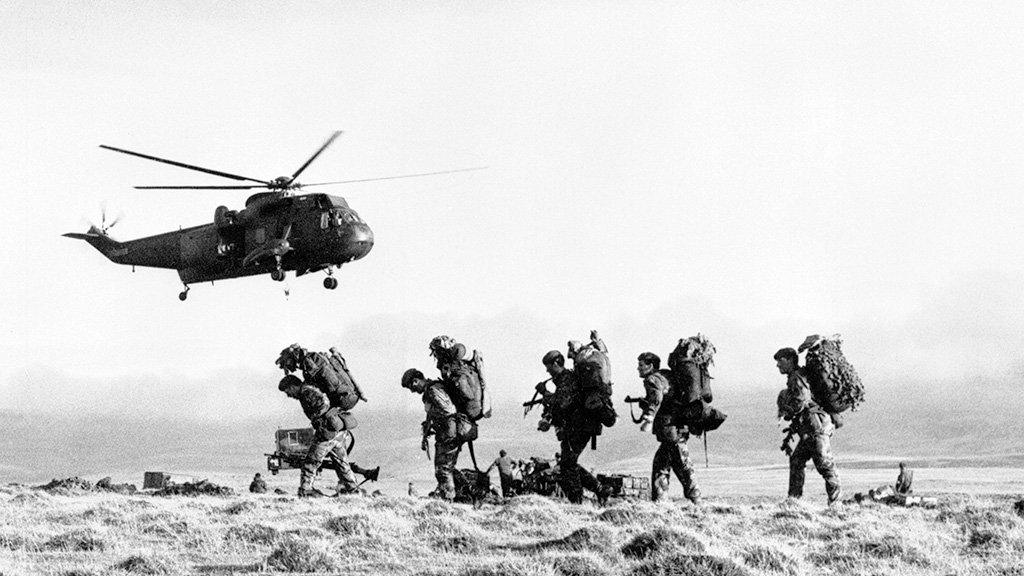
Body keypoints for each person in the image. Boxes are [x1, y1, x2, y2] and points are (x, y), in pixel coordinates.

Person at [775, 347, 841, 505]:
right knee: (797, 460)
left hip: (815, 426)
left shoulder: (797, 377)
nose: (778, 365)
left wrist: (787, 408)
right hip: (810, 427)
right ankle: (793, 502)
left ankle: (836, 504)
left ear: (790, 360)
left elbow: (801, 400)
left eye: (780, 361)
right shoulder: (798, 375)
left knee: (825, 464)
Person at [541, 349, 608, 505]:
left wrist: (545, 394)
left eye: (549, 366)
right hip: (577, 428)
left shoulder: (567, 379)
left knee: (568, 466)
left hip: (579, 427)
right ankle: (600, 489)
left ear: (557, 363)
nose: (547, 370)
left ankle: (577, 503)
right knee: (568, 464)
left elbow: (563, 403)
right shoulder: (564, 380)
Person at [401, 367, 477, 501]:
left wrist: (434, 418)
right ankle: (469, 491)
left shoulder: (433, 390)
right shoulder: (430, 391)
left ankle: (448, 502)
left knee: (443, 470)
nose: (412, 391)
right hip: (447, 434)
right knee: (447, 468)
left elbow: (449, 410)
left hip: (450, 435)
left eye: (411, 387)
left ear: (415, 381)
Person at [278, 374, 360, 498]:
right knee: (341, 463)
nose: (288, 395)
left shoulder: (306, 392)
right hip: (338, 430)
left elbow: (324, 403)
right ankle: (353, 490)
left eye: (288, 391)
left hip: (327, 432)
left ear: (293, 386)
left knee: (310, 462)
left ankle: (305, 490)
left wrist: (318, 418)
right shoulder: (311, 387)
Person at [637, 351, 700, 504]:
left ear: (650, 366)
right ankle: (660, 500)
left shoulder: (652, 379)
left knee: (682, 465)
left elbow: (657, 398)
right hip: (679, 426)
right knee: (662, 464)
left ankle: (696, 498)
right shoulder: (666, 374)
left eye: (641, 365)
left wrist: (649, 417)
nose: (638, 368)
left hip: (671, 430)